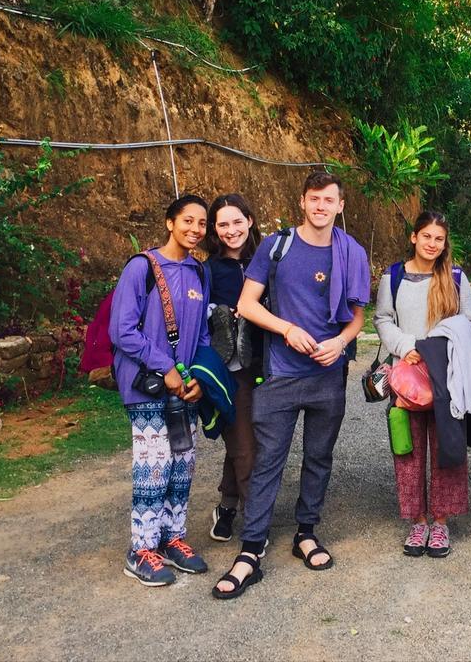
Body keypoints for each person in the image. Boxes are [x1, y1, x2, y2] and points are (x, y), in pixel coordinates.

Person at [212, 171, 370, 599]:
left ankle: (306, 532)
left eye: (329, 200)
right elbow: (246, 305)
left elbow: (357, 315)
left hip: (327, 375)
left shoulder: (350, 251)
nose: (321, 206)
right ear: (302, 202)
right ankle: (250, 552)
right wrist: (286, 329)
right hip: (280, 373)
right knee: (267, 463)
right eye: (314, 198)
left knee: (319, 457)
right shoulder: (276, 246)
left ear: (340, 205)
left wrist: (339, 342)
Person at [111, 194, 210, 587]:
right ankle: (140, 550)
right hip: (146, 385)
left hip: (183, 389)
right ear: (170, 222)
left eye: (201, 223)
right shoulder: (142, 268)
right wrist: (165, 366)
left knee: (181, 465)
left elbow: (202, 333)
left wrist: (199, 376)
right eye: (187, 221)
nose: (195, 230)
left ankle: (171, 539)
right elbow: (122, 330)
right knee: (153, 467)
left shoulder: (199, 273)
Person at [374, 211, 471, 558]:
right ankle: (417, 520)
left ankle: (441, 522)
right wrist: (407, 347)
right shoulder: (393, 277)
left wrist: (439, 345)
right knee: (409, 448)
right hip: (406, 374)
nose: (432, 244)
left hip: (447, 375)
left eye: (439, 238)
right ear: (414, 237)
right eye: (426, 237)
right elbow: (382, 319)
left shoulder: (455, 277)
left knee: (447, 447)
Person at [203, 193, 263, 543]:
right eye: (223, 224)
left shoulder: (265, 262)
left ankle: (226, 504)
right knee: (244, 445)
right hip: (230, 370)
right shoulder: (208, 271)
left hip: (267, 365)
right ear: (215, 229)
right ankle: (256, 521)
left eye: (237, 221)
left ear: (250, 221)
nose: (231, 230)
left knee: (255, 441)